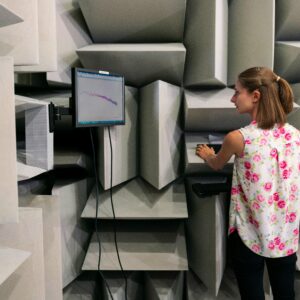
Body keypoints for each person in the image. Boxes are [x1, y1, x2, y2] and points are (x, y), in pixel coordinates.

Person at [196, 67, 300, 300]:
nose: (233, 99)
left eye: (237, 92)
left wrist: (205, 154)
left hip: (249, 233)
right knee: (286, 294)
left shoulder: (238, 138)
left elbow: (216, 164)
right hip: (285, 234)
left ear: (255, 96)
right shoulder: (295, 135)